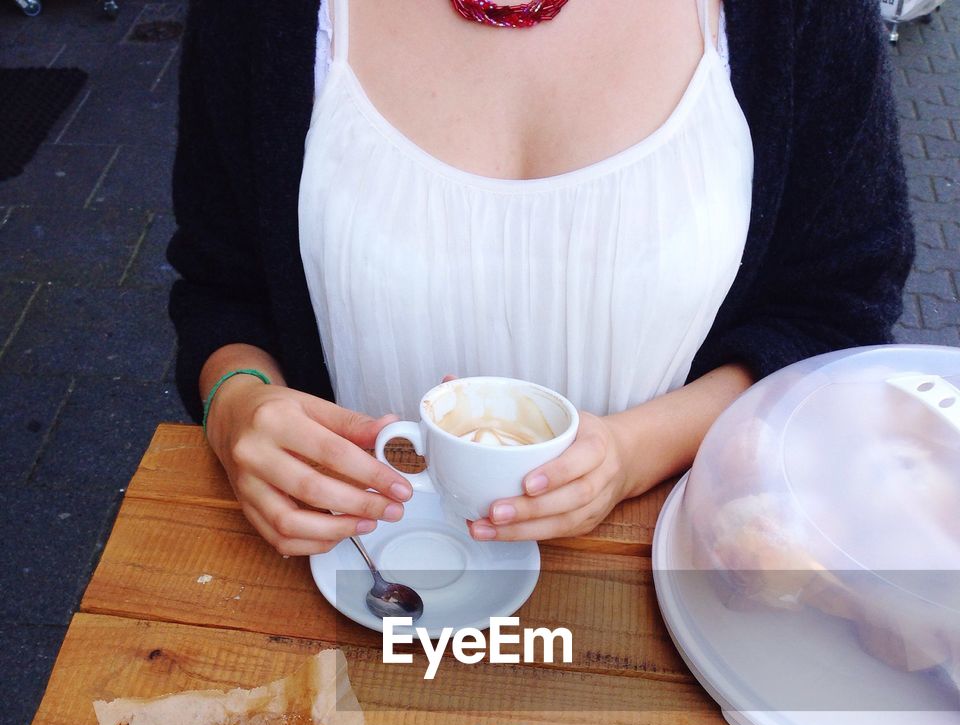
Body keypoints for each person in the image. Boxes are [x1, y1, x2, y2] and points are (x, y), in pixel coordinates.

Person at [168, 0, 913, 556]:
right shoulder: (259, 16)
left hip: (671, 597)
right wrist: (237, 411)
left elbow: (836, 309)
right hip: (346, 573)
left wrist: (632, 453)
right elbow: (220, 287)